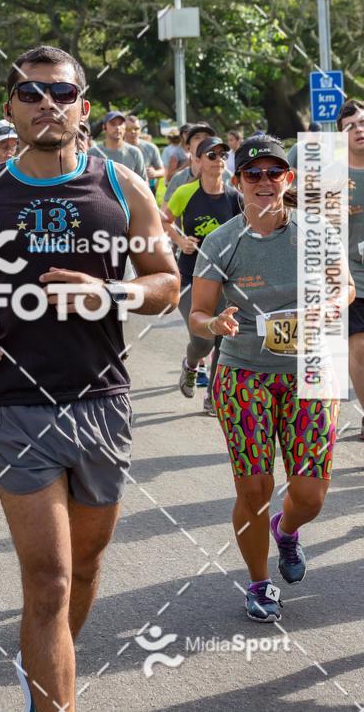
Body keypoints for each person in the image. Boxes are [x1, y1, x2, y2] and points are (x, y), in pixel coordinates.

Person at [0, 44, 179, 712]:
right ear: (9, 107)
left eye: (61, 95)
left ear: (82, 108)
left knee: (84, 570)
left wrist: (110, 296)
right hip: (13, 405)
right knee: (51, 580)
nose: (47, 105)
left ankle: (43, 654)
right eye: (32, 94)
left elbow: (166, 285)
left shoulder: (123, 187)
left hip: (102, 399)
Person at [190, 135, 352, 622]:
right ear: (238, 182)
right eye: (253, 174)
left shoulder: (316, 232)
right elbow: (197, 313)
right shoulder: (223, 241)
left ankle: (287, 530)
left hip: (312, 370)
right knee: (254, 489)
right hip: (244, 374)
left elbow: (344, 286)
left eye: (273, 173)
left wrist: (331, 303)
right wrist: (214, 325)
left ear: (289, 178)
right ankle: (259, 583)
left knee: (309, 495)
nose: (264, 182)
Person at [163, 137, 241, 415]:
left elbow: (247, 228)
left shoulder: (234, 197)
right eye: (211, 155)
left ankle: (213, 397)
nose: (218, 159)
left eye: (223, 154)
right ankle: (191, 364)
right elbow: (164, 220)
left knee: (223, 338)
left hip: (223, 280)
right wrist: (180, 240)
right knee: (203, 339)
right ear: (197, 161)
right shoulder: (186, 192)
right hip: (190, 277)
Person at [335, 100, 364, 439]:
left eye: (362, 123)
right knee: (358, 348)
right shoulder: (333, 176)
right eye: (350, 126)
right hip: (352, 280)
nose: (359, 129)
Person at [88, 111, 146, 178]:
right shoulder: (93, 153)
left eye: (121, 124)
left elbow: (144, 181)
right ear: (104, 127)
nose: (118, 127)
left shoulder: (135, 152)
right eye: (113, 124)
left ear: (125, 127)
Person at [125, 115, 165, 195]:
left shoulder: (151, 148)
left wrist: (154, 173)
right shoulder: (117, 148)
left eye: (136, 128)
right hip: (123, 190)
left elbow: (162, 171)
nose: (133, 131)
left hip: (147, 190)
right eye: (128, 129)